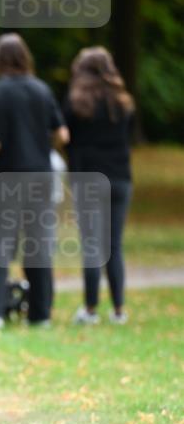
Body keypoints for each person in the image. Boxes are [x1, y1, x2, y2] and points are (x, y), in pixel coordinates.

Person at [0, 33, 69, 328]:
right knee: (38, 246)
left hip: (7, 179)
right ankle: (40, 314)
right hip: (40, 178)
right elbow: (62, 134)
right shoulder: (41, 90)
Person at [64, 47, 135, 325]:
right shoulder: (124, 103)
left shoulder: (75, 104)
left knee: (92, 246)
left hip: (88, 179)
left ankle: (91, 309)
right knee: (114, 246)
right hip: (120, 178)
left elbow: (64, 137)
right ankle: (118, 310)